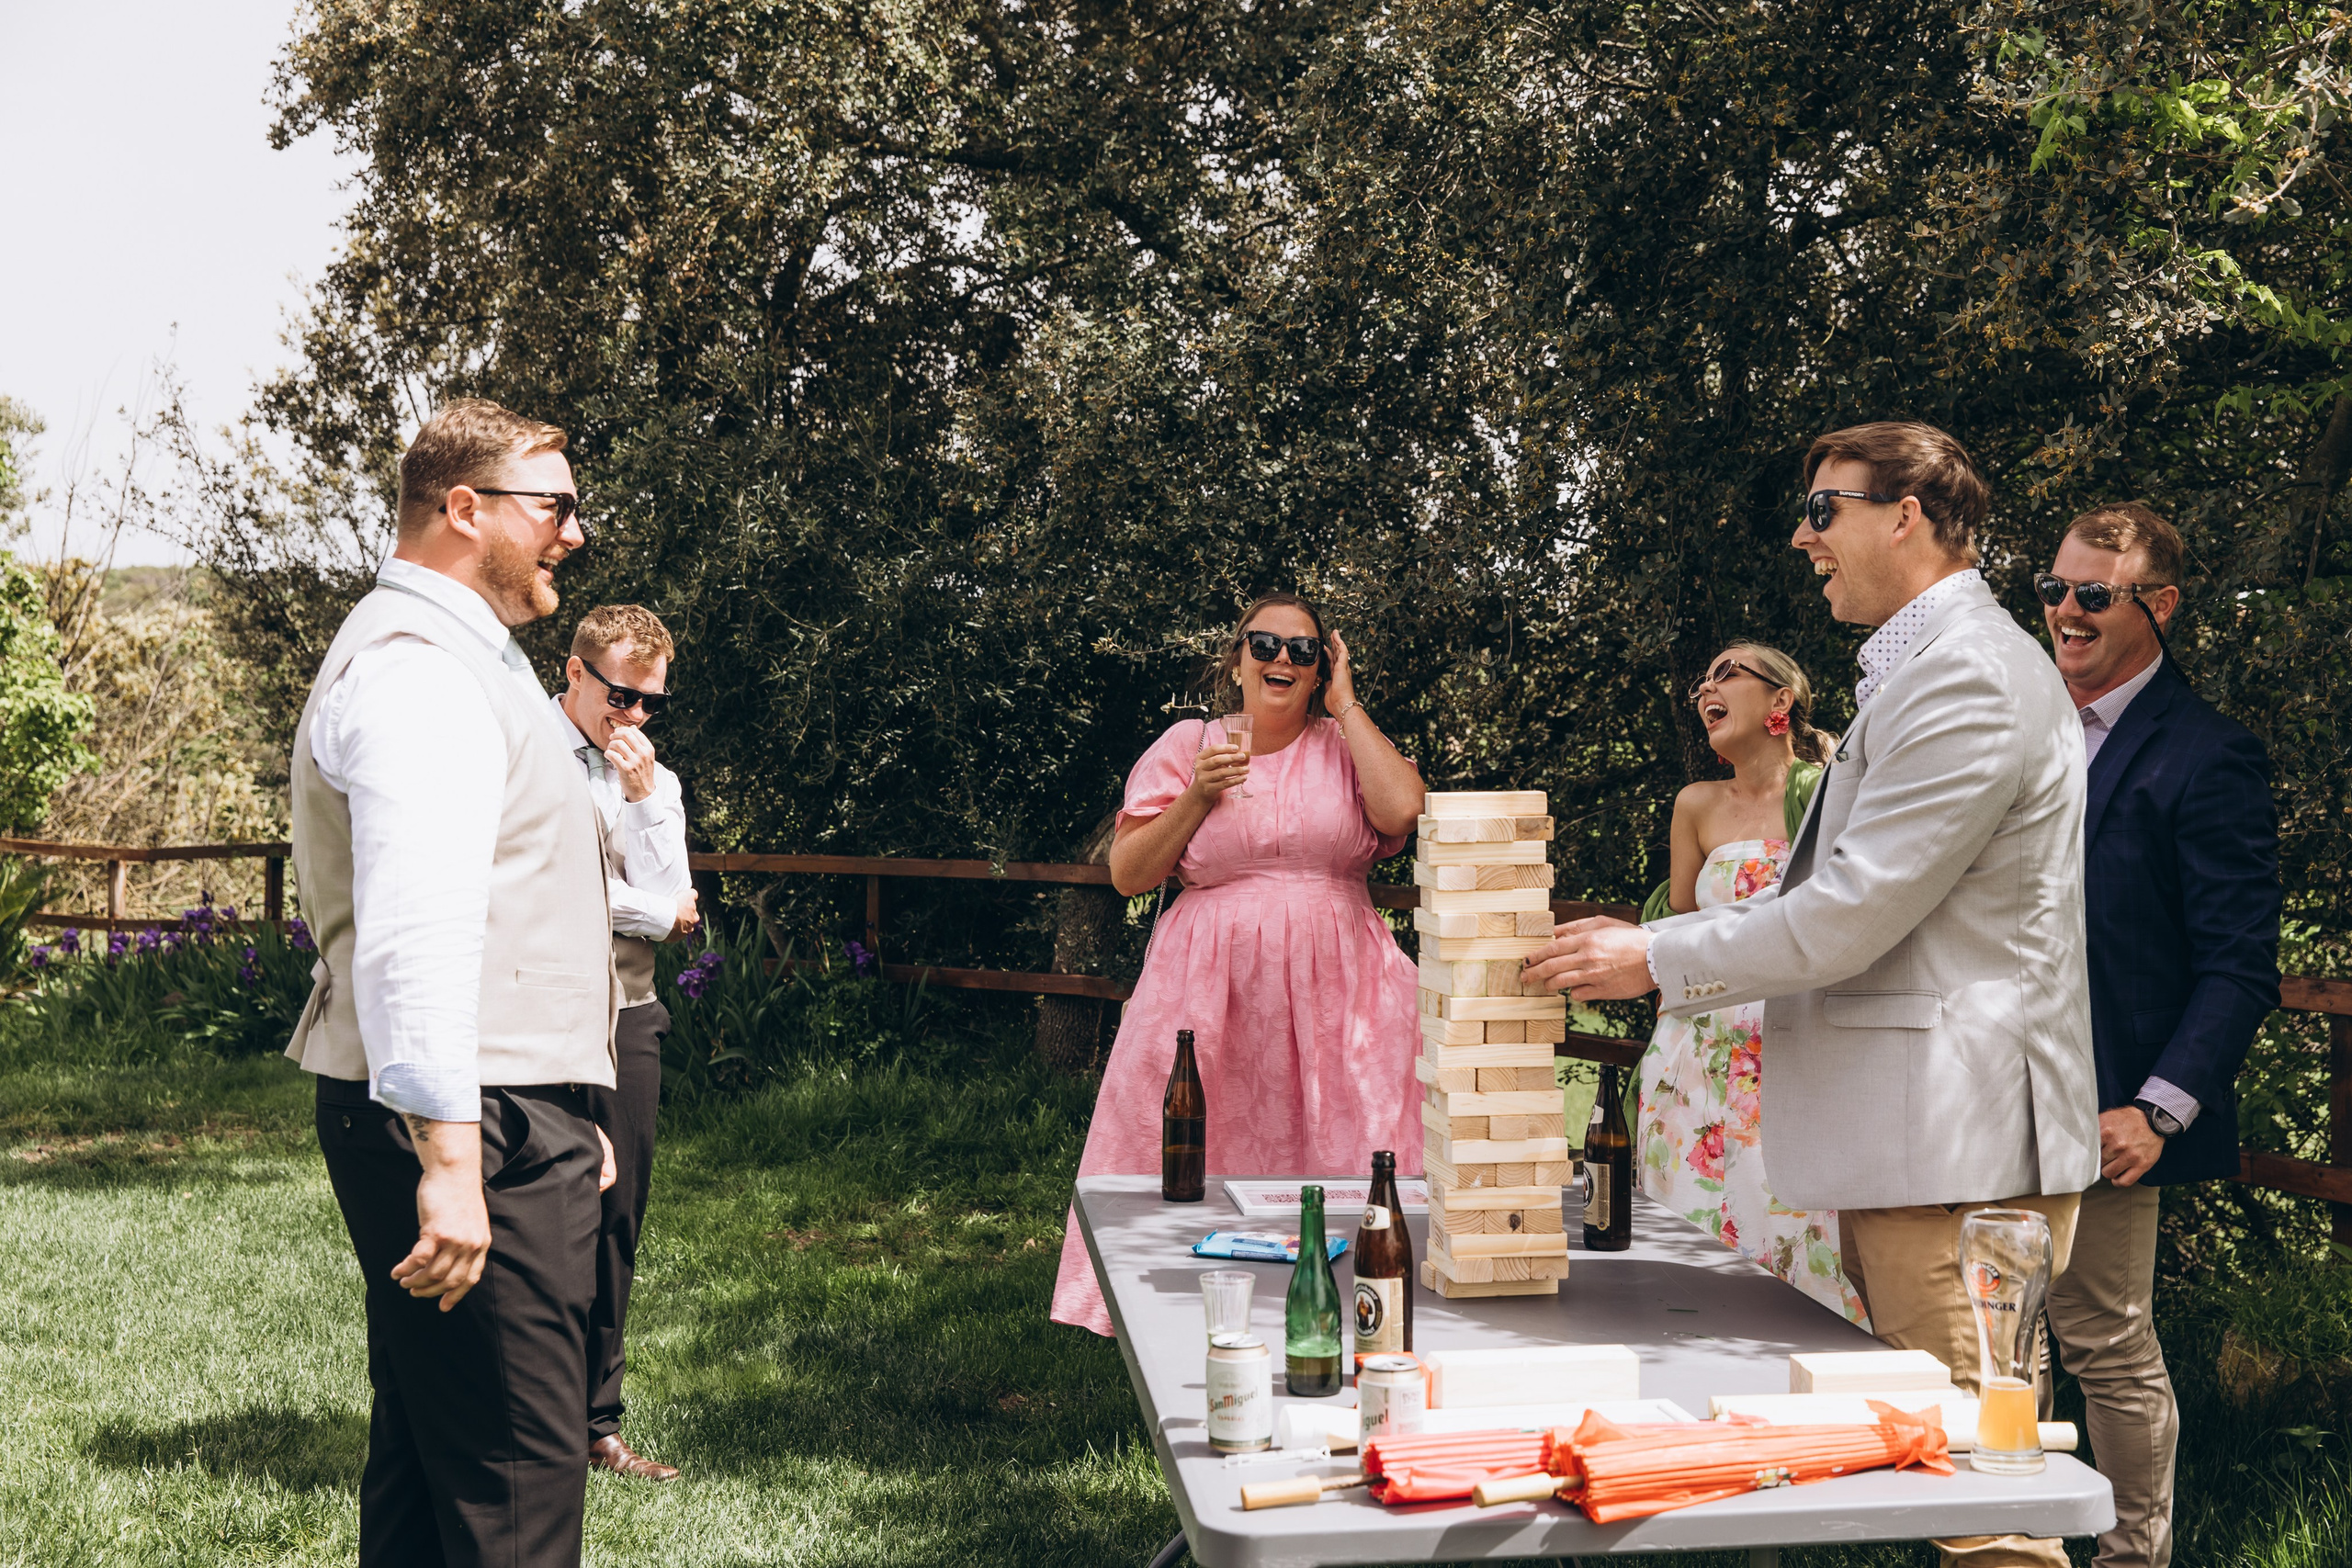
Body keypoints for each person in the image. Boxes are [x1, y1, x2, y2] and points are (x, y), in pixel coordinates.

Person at [1528, 421, 2098, 1568]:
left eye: (1825, 509)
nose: (1803, 536)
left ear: (1910, 517)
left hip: (1960, 1153)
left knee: (1986, 1508)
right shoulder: (1927, 668)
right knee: (1960, 1478)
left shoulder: (1973, 678)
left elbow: (1851, 910)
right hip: (1924, 1144)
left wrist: (1654, 957)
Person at [286, 399, 618, 1567]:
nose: (575, 534)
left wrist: (574, 1107)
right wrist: (457, 1162)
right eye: (557, 507)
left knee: (435, 1477)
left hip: (510, 1109)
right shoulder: (418, 670)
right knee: (515, 1490)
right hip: (470, 1115)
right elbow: (414, 934)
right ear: (465, 510)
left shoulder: (465, 657)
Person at [1051, 593, 1426, 1336]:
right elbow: (1129, 873)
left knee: (1347, 1141)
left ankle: (1355, 1302)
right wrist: (1197, 794)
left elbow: (1402, 810)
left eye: (1304, 650)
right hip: (1208, 992)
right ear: (1236, 658)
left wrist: (1348, 708)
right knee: (1204, 1145)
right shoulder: (1191, 742)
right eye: (1265, 644)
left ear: (1323, 668)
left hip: (1340, 992)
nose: (1282, 659)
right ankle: (1175, 1315)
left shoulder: (1344, 743)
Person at [2037, 503, 2279, 1568]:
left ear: (2158, 606)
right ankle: (2011, 1543)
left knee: (2101, 1341)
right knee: (1994, 1340)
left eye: (2094, 594)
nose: (2067, 613)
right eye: (2053, 591)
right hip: (1979, 1088)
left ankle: (2133, 1558)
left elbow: (2239, 963)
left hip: (2105, 1111)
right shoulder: (2015, 725)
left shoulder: (2208, 753)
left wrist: (2159, 1107)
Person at [1635, 643, 1865, 1323]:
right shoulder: (1695, 805)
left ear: (1780, 701)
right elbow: (1676, 923)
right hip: (1694, 1056)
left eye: (1728, 671)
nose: (1707, 685)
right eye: (1704, 677)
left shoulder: (1824, 794)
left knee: (1794, 1237)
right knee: (1688, 1231)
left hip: (1789, 1050)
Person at [553, 604, 700, 1483]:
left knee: (617, 1219)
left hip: (629, 1012)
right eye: (620, 695)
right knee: (533, 1208)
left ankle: (596, 1423)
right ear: (573, 673)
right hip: (534, 1011)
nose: (634, 717)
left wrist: (645, 802)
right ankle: (524, 1407)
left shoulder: (656, 780)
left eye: (651, 702)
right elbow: (546, 890)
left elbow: (677, 897)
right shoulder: (521, 753)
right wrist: (654, 909)